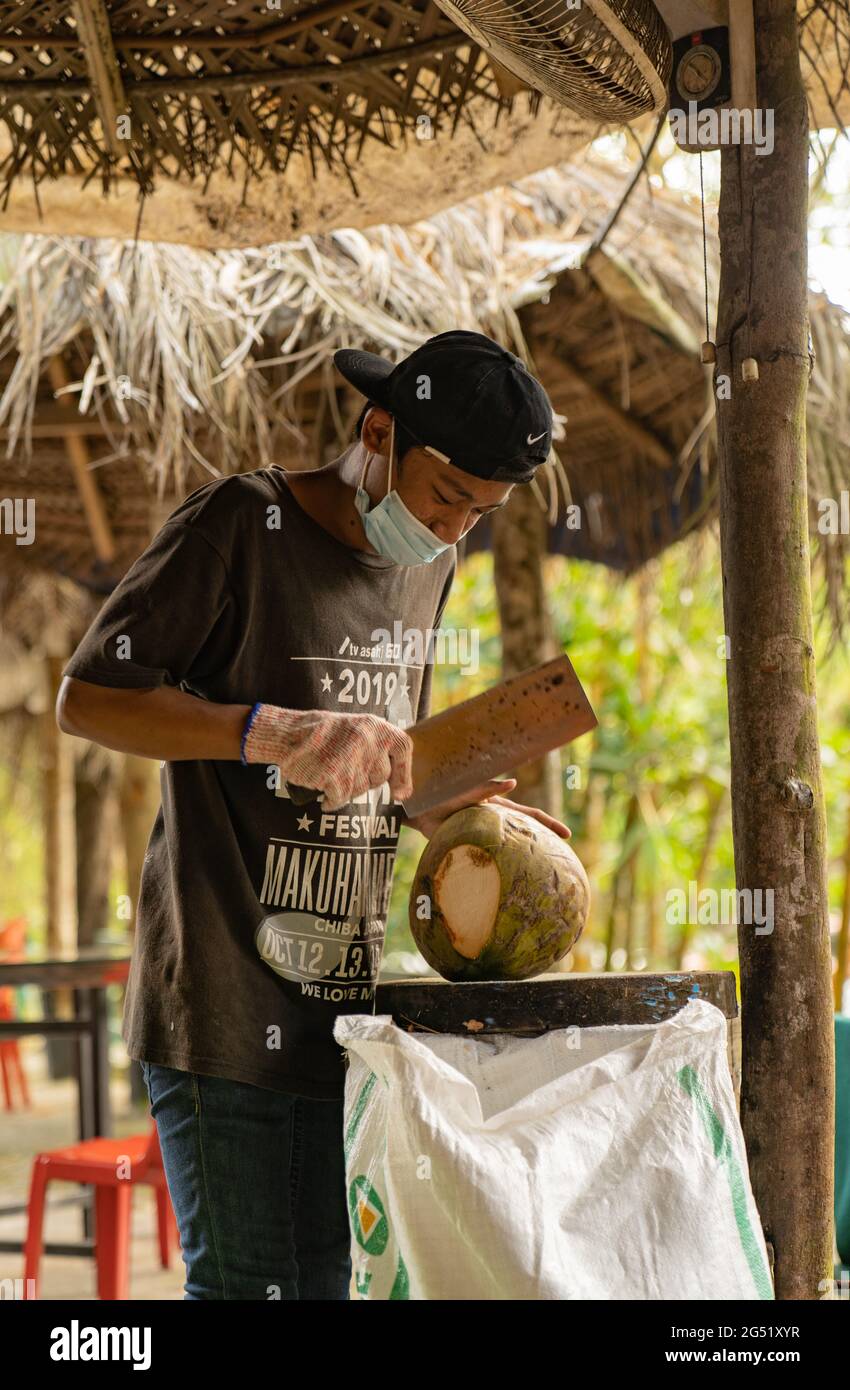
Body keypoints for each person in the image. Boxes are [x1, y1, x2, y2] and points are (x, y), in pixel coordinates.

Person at [56, 328, 571, 1300]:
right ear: (378, 430)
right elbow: (87, 698)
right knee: (250, 1286)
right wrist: (264, 730)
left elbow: (372, 748)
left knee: (329, 1280)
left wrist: (434, 804)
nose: (455, 528)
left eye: (482, 512)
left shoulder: (428, 564)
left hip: (344, 1004)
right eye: (447, 496)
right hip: (221, 995)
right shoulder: (239, 525)